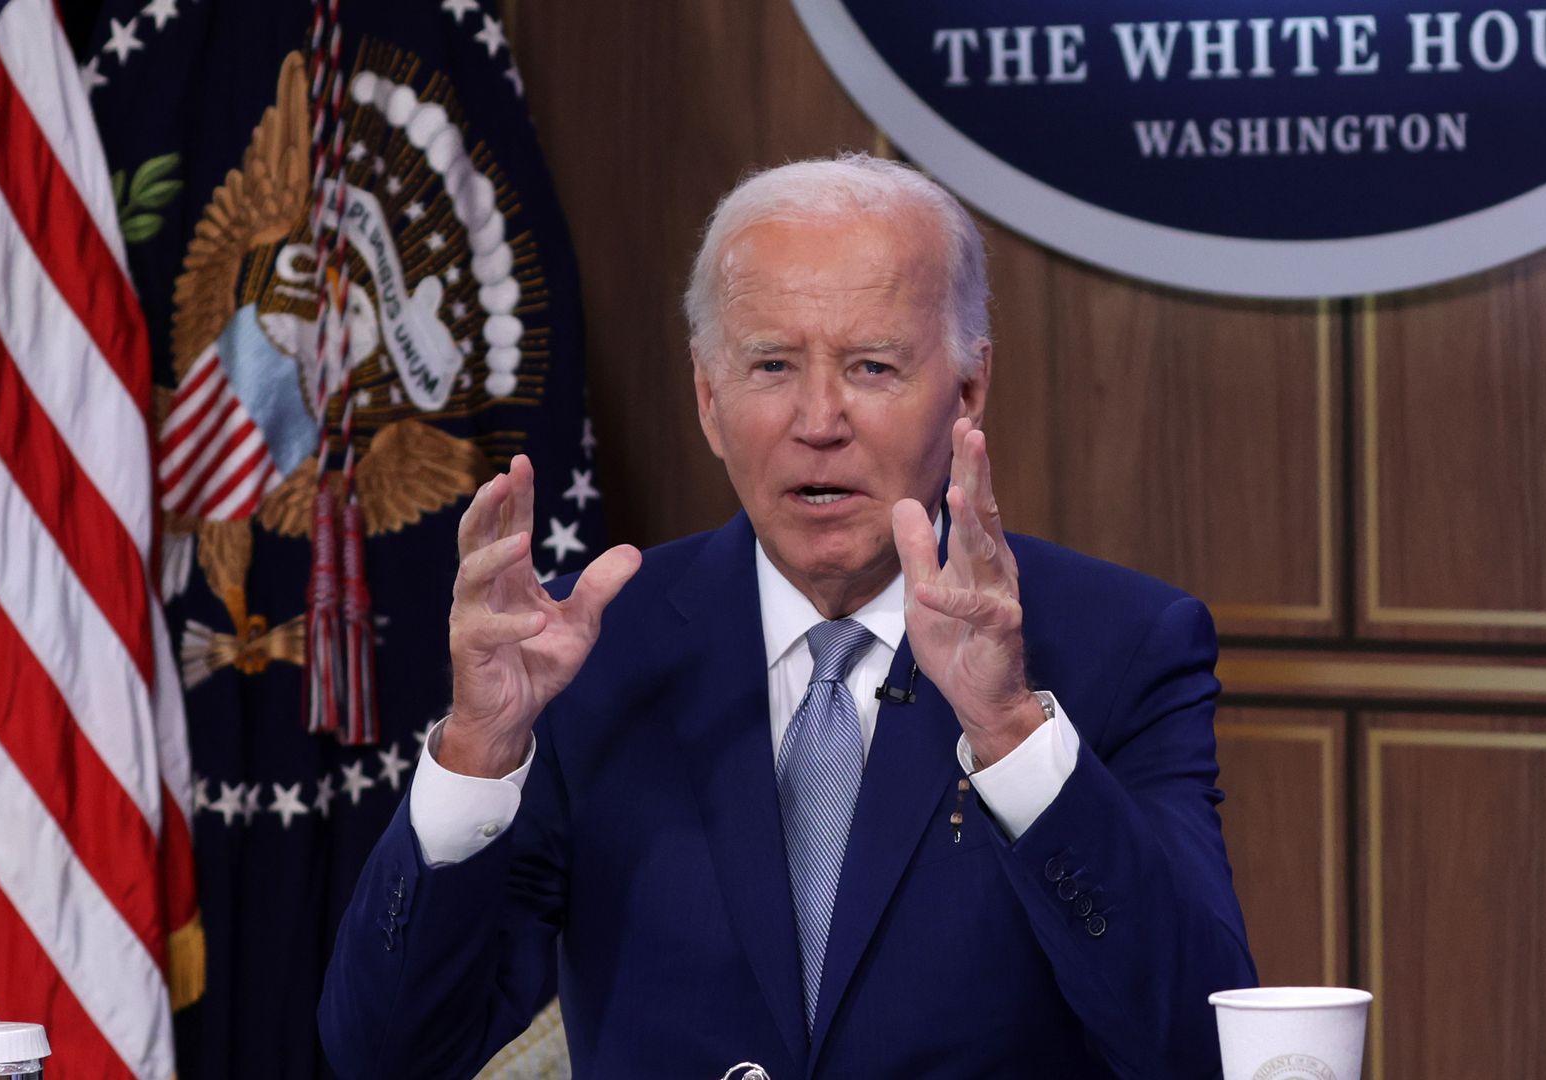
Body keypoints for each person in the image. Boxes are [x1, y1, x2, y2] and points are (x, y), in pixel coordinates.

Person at [319, 153, 1257, 1079]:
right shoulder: (589, 654)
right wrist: (478, 752)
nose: (819, 419)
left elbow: (1198, 1051)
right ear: (709, 398)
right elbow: (388, 1057)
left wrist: (1010, 732)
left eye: (873, 366)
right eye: (770, 365)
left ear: (968, 390)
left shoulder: (1122, 648)